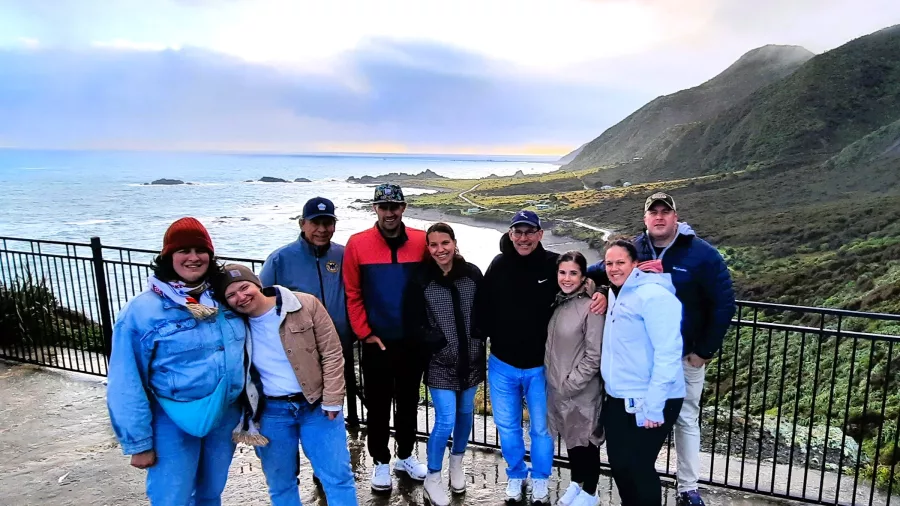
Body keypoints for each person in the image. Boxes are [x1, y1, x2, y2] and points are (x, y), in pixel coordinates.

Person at [587, 192, 735, 506]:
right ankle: (645, 486)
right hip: (640, 368)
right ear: (645, 218)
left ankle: (687, 488)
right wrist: (599, 288)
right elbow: (606, 271)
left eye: (664, 212)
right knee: (636, 454)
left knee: (684, 420)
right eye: (652, 212)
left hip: (683, 357)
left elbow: (723, 304)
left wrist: (705, 350)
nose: (658, 217)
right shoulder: (635, 249)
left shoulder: (702, 254)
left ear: (675, 216)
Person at [106, 217, 246, 505]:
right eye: (184, 250)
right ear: (168, 256)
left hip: (224, 415)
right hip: (172, 419)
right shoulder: (142, 312)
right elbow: (125, 380)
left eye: (200, 250)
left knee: (210, 494)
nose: (193, 258)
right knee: (172, 498)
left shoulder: (225, 299)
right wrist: (139, 443)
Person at [216, 264, 358, 506]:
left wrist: (333, 397)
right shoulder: (233, 326)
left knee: (337, 476)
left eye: (244, 287)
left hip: (317, 406)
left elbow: (332, 353)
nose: (241, 297)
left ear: (257, 284)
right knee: (280, 484)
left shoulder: (305, 304)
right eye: (231, 295)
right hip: (271, 413)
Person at [342, 183, 429, 491]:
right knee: (378, 406)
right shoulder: (357, 243)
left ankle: (405, 455)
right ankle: (380, 461)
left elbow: (440, 275)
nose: (389, 212)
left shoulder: (421, 241)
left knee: (408, 403)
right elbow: (352, 293)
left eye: (394, 206)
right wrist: (364, 333)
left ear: (403, 207)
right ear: (375, 209)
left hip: (412, 341)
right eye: (383, 207)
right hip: (377, 341)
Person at [478, 210, 558, 503]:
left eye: (529, 232)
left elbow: (581, 274)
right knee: (508, 427)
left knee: (541, 428)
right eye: (517, 232)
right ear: (510, 235)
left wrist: (596, 287)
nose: (523, 238)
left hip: (540, 367)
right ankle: (515, 474)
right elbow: (483, 304)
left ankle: (540, 478)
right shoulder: (498, 264)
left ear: (539, 234)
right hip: (502, 364)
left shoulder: (553, 264)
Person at [403, 222, 485, 506]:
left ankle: (457, 465)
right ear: (428, 248)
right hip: (440, 362)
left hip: (472, 359)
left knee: (465, 415)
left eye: (445, 243)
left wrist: (477, 336)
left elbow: (485, 310)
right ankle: (433, 477)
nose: (440, 249)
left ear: (454, 243)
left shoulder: (472, 274)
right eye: (434, 245)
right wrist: (436, 342)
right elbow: (413, 320)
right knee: (445, 420)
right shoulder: (421, 278)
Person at [601, 239, 685, 506]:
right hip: (619, 396)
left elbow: (668, 353)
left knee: (639, 466)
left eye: (620, 263)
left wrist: (654, 405)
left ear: (635, 264)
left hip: (651, 398)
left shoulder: (655, 296)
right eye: (609, 263)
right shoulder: (617, 293)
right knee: (619, 464)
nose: (614, 268)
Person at [259, 196, 358, 424]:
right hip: (300, 353)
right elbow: (261, 304)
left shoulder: (344, 255)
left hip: (341, 347)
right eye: (316, 223)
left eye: (328, 223)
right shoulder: (280, 259)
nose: (322, 230)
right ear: (302, 223)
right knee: (305, 408)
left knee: (336, 408)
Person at [545, 251, 605, 506]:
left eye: (573, 273)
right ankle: (576, 483)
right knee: (572, 439)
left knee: (587, 441)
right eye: (562, 272)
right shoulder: (560, 301)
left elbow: (594, 354)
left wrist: (570, 384)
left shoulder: (591, 306)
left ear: (583, 276)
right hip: (561, 387)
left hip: (581, 390)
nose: (566, 278)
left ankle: (590, 492)